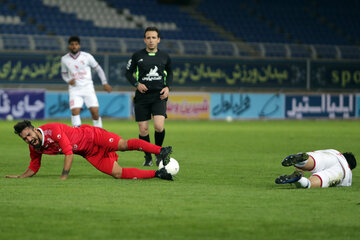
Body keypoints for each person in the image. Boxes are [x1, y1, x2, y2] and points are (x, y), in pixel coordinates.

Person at [5, 120, 174, 181]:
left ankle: (160, 150)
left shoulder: (52, 129)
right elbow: (34, 165)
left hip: (93, 136)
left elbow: (69, 153)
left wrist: (64, 176)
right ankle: (158, 174)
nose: (28, 139)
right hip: (89, 153)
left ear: (34, 129)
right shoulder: (34, 147)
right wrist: (20, 176)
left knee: (122, 145)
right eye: (24, 139)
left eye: (28, 135)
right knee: (117, 173)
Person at [125, 26, 173, 167]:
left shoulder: (165, 57)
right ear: (144, 40)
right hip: (142, 97)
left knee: (158, 126)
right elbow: (128, 73)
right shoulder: (137, 56)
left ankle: (159, 153)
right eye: (148, 38)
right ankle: (147, 157)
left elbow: (169, 73)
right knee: (143, 129)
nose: (151, 40)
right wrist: (136, 84)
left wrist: (168, 87)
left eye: (153, 38)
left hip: (159, 96)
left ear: (158, 40)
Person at [61, 36, 112, 128]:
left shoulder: (87, 56)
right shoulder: (64, 59)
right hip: (75, 89)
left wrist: (104, 83)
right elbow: (64, 74)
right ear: (69, 46)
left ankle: (99, 134)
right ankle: (77, 135)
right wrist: (69, 80)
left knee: (95, 112)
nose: (74, 46)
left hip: (88, 88)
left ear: (79, 46)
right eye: (72, 44)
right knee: (75, 111)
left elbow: (99, 69)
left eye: (76, 44)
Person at [275, 149, 356, 188]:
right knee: (315, 181)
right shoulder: (348, 174)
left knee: (316, 161)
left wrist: (300, 167)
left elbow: (316, 153)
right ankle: (299, 181)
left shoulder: (334, 151)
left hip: (332, 156)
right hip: (342, 171)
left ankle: (303, 161)